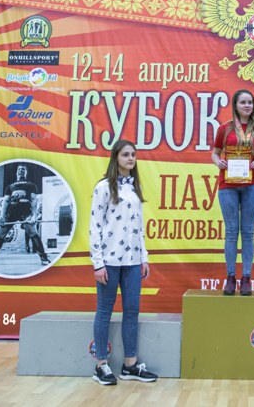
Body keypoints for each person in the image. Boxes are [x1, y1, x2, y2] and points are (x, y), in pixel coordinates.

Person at [90, 139, 158, 386]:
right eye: (126, 154)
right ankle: (101, 365)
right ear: (116, 157)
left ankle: (130, 365)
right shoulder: (103, 188)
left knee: (132, 310)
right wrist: (98, 263)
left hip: (132, 261)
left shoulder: (134, 189)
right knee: (104, 311)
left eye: (133, 155)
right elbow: (95, 226)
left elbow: (139, 227)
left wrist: (143, 257)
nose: (131, 158)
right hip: (109, 260)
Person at [211, 89, 254, 296]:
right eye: (243, 102)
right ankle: (230, 277)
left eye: (250, 102)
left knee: (247, 232)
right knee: (230, 232)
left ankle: (246, 278)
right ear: (235, 106)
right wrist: (218, 162)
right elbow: (215, 153)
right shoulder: (225, 129)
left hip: (252, 183)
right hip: (228, 184)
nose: (247, 106)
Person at [0, 164, 49, 266]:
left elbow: (34, 200)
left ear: (26, 173)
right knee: (1, 234)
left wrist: (34, 216)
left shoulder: (31, 185)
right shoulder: (10, 187)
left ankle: (44, 259)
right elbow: (6, 201)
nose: (20, 170)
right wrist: (3, 217)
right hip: (12, 211)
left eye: (23, 169)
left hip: (26, 210)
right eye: (18, 169)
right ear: (16, 173)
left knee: (32, 232)